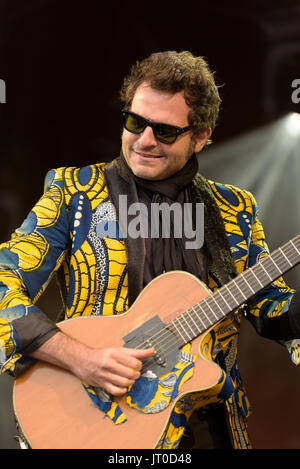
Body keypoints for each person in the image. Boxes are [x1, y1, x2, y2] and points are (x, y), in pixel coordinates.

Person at [0, 50, 300, 450]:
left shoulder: (235, 210)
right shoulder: (75, 192)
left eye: (165, 131)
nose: (144, 141)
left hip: (208, 429)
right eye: (134, 122)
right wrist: (79, 358)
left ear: (201, 136)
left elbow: (271, 307)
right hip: (97, 425)